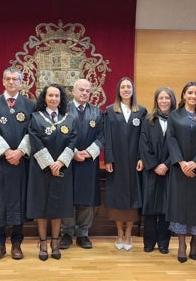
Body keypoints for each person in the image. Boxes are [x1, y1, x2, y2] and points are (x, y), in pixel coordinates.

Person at [0, 67, 35, 261]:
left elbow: (33, 131)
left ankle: (16, 244)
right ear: (3, 81)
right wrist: (7, 152)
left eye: (15, 79)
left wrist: (20, 152)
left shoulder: (30, 105)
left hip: (20, 163)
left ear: (21, 83)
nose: (12, 82)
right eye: (8, 79)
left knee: (18, 202)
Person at [27, 84, 77, 260]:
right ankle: (42, 244)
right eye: (50, 95)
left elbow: (72, 141)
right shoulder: (35, 118)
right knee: (41, 207)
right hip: (41, 170)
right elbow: (35, 140)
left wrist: (61, 162)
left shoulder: (69, 119)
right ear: (44, 98)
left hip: (62, 170)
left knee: (58, 206)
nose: (54, 99)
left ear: (61, 99)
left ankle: (55, 243)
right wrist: (49, 163)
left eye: (57, 96)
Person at [166, 81, 196, 263]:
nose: (193, 96)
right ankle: (182, 244)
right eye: (190, 93)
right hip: (179, 170)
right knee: (180, 207)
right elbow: (171, 139)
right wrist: (181, 162)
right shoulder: (174, 116)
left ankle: (195, 242)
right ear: (183, 95)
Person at [59, 79, 104, 250]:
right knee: (68, 197)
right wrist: (73, 152)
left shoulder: (97, 112)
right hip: (68, 161)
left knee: (86, 198)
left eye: (87, 90)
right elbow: (59, 135)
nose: (85, 93)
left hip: (88, 162)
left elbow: (102, 136)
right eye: (81, 90)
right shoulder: (64, 110)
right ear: (74, 91)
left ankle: (83, 233)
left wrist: (88, 152)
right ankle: (67, 233)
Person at [104, 77, 147, 251]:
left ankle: (128, 234)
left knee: (132, 198)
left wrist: (141, 158)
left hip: (134, 163)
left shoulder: (141, 112)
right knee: (117, 199)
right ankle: (119, 233)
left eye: (129, 87)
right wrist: (108, 159)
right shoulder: (109, 111)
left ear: (133, 90)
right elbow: (107, 137)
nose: (126, 89)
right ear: (118, 90)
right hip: (116, 163)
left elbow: (145, 139)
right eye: (123, 87)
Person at [139, 86, 176, 254]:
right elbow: (143, 144)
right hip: (151, 171)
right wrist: (154, 165)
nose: (164, 101)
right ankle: (149, 242)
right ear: (156, 101)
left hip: (170, 170)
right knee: (150, 208)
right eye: (161, 98)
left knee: (165, 209)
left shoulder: (177, 120)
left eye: (167, 98)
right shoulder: (148, 120)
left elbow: (179, 146)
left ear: (172, 100)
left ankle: (163, 242)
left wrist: (166, 164)